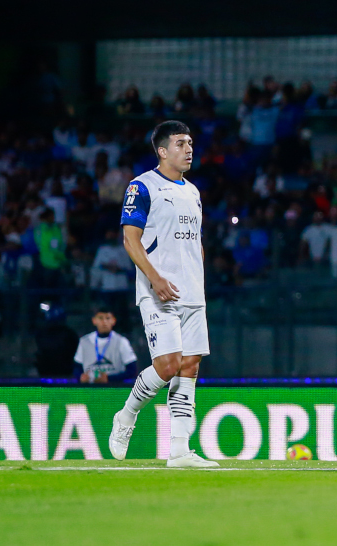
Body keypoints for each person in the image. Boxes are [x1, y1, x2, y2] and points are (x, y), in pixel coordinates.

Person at [110, 121, 218, 468]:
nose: (189, 149)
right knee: (168, 365)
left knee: (190, 366)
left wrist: (199, 280)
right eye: (181, 143)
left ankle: (180, 451)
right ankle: (126, 415)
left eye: (190, 142)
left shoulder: (193, 192)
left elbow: (194, 242)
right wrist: (155, 278)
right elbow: (131, 239)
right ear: (162, 151)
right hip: (159, 291)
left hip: (192, 293)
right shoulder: (142, 186)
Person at [74, 306, 138, 384]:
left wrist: (109, 379)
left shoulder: (121, 341)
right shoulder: (84, 341)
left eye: (107, 318)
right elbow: (77, 367)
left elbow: (132, 370)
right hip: (90, 388)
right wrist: (80, 377)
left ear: (113, 321)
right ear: (94, 321)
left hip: (114, 389)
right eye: (100, 318)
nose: (104, 322)